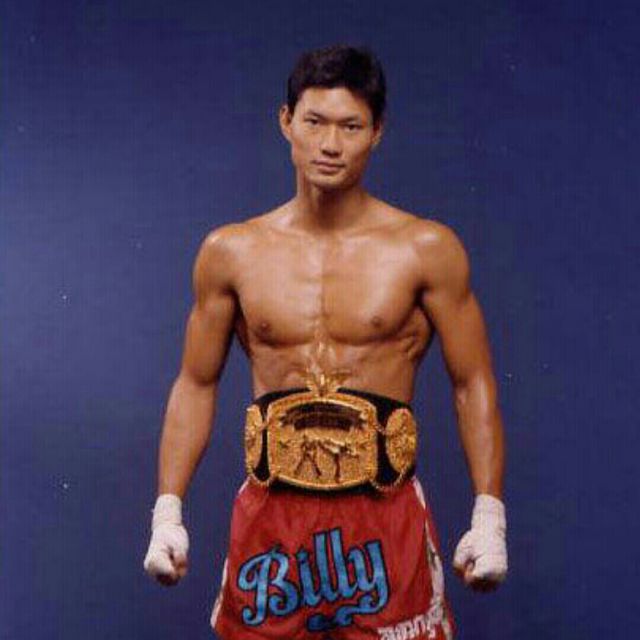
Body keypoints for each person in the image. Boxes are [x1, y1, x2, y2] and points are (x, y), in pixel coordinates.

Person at [143, 44, 507, 640]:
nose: (330, 144)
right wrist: (168, 512)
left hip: (384, 516)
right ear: (286, 121)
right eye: (314, 122)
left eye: (350, 126)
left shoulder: (425, 249)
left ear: (377, 132)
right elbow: (196, 382)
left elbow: (473, 382)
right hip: (272, 518)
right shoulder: (231, 251)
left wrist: (489, 516)